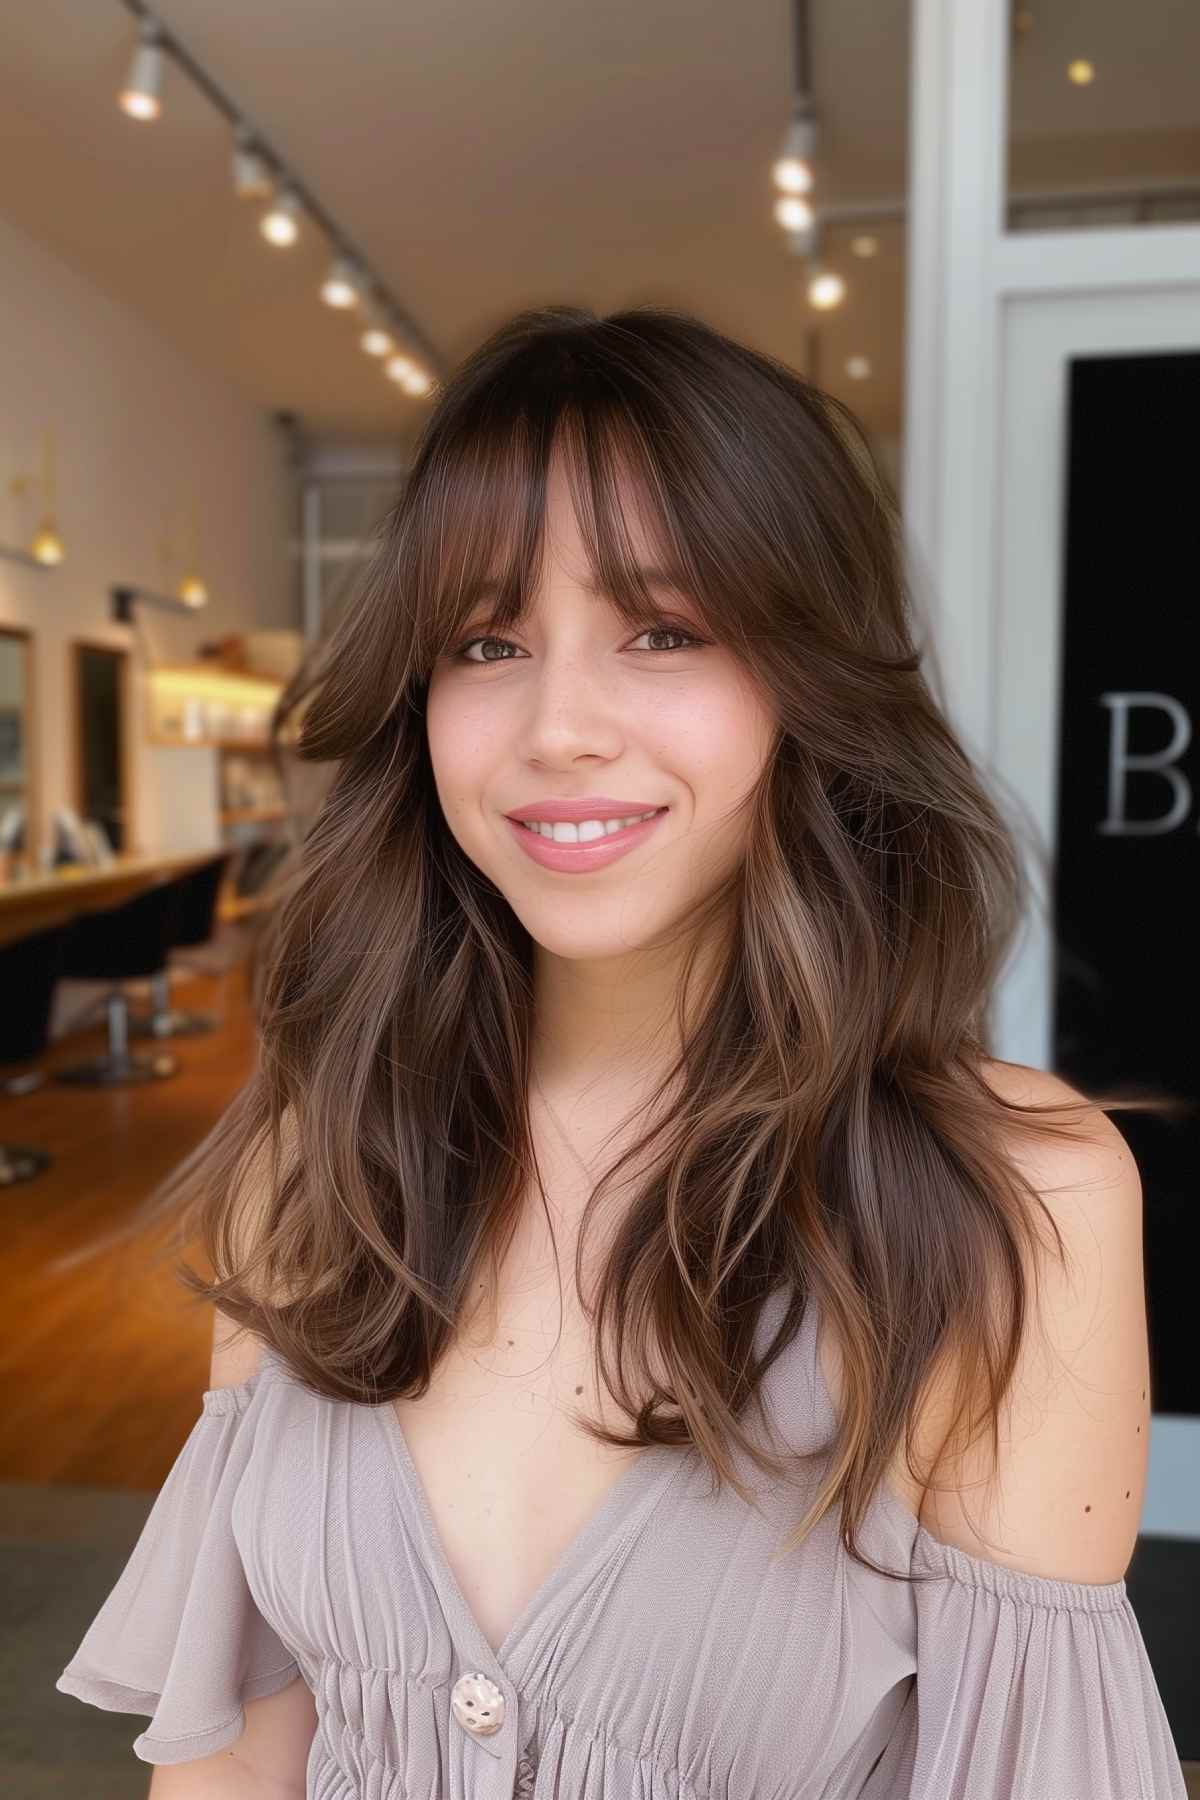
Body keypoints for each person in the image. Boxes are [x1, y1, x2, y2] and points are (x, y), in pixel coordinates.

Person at [55, 305, 1187, 1798]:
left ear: (808, 678)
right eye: (486, 641)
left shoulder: (1008, 1203)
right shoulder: (315, 1158)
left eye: (664, 630)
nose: (558, 725)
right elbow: (235, 1757)